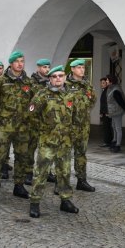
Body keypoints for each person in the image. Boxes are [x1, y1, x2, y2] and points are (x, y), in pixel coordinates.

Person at [27, 65, 80, 218]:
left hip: (65, 142)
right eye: (55, 76)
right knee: (41, 173)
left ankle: (65, 201)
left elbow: (75, 116)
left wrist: (72, 134)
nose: (58, 78)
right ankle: (35, 202)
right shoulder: (42, 95)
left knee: (64, 172)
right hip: (47, 142)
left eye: (61, 76)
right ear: (50, 79)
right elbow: (31, 115)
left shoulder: (70, 96)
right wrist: (43, 131)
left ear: (64, 77)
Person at [0, 51, 37, 202]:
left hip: (22, 127)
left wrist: (28, 115)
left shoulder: (28, 82)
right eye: (17, 61)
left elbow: (35, 100)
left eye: (22, 61)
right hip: (4, 127)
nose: (20, 64)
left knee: (22, 157)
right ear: (11, 63)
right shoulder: (0, 81)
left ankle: (18, 185)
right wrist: (1, 114)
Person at [65, 59, 96, 191]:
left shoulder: (87, 85)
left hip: (83, 126)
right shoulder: (65, 84)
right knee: (64, 154)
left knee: (81, 153)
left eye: (83, 67)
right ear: (72, 69)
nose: (82, 70)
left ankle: (81, 180)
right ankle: (61, 183)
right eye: (78, 67)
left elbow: (92, 100)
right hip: (68, 126)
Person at [104, 74, 125, 153]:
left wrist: (124, 109)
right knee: (113, 126)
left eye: (107, 80)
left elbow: (121, 101)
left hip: (117, 112)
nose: (106, 81)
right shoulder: (111, 88)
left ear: (111, 81)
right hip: (113, 112)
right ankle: (114, 141)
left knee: (118, 128)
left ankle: (118, 145)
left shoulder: (116, 89)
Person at [98, 76, 114, 148]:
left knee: (107, 127)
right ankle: (108, 141)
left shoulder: (107, 91)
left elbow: (109, 102)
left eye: (103, 83)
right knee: (106, 127)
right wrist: (101, 112)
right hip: (104, 112)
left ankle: (108, 142)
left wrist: (107, 112)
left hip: (107, 112)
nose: (101, 84)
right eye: (101, 83)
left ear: (107, 83)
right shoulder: (104, 90)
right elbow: (102, 103)